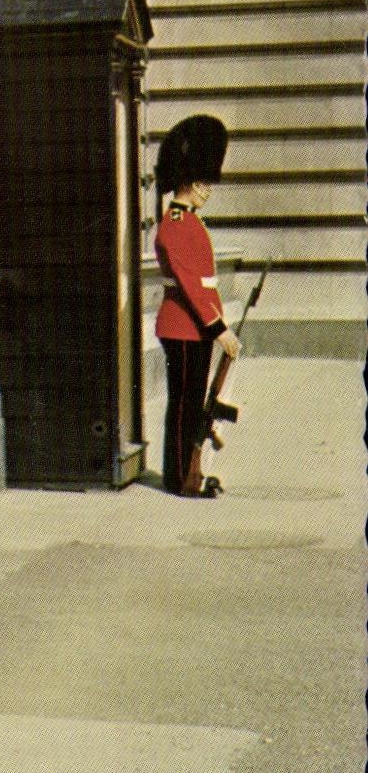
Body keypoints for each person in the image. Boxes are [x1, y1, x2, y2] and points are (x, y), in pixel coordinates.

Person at [153, 114, 241, 497]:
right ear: (188, 181)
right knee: (185, 405)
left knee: (194, 405)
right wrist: (219, 329)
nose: (208, 190)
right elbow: (190, 284)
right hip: (183, 326)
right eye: (204, 183)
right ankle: (178, 477)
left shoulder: (188, 221)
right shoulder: (175, 222)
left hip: (193, 326)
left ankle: (191, 471)